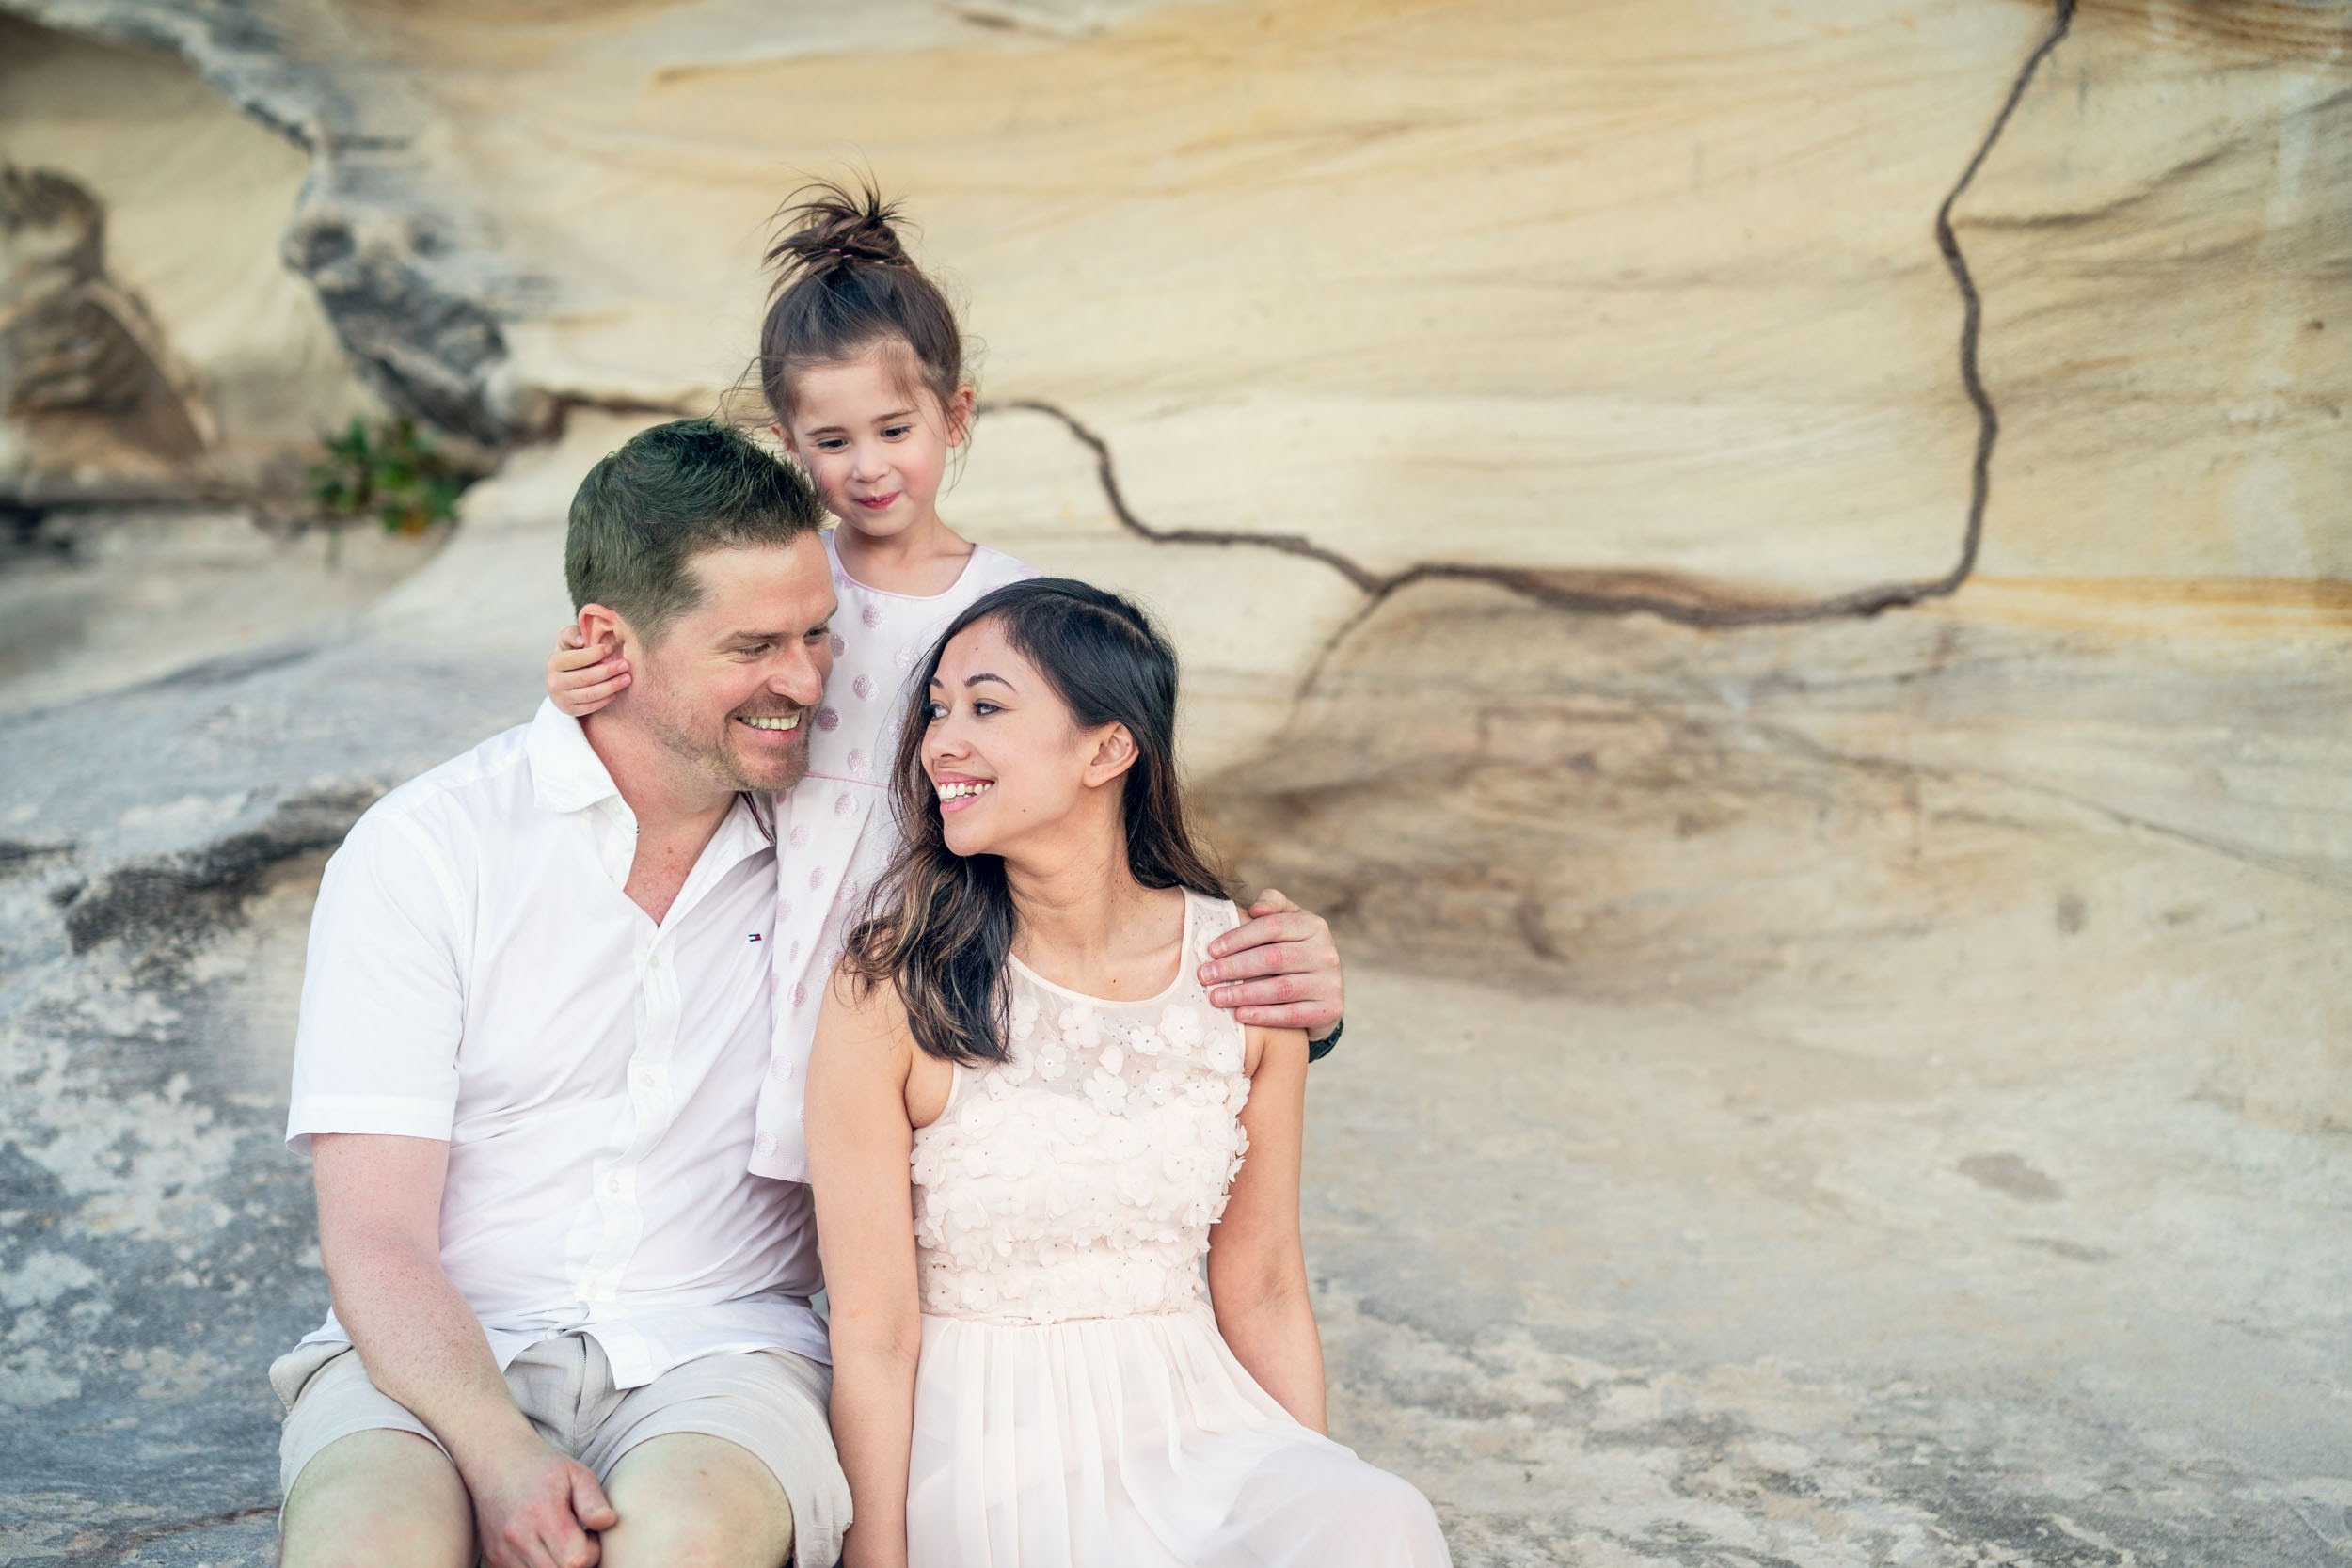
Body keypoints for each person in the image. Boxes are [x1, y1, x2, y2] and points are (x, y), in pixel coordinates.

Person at [274, 418, 1347, 1568]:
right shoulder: (427, 850)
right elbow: (376, 1236)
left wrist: (1305, 1004)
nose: (804, 682)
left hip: (723, 1354)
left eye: (818, 634)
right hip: (438, 1355)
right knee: (367, 1545)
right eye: (754, 645)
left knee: (679, 1543)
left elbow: (1084, 942)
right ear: (605, 641)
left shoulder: (857, 856)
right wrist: (502, 1461)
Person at [548, 182, 1344, 1196]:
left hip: (949, 924)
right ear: (789, 444)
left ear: (954, 415)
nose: (869, 467)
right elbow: (659, 686)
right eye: (831, 443)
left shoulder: (1007, 605)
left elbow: (1090, 793)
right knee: (781, 1178)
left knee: (941, 1181)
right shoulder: (791, 583)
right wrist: (577, 679)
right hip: (783, 924)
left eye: (895, 429)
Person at [807, 579, 1451, 1567]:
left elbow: (1267, 1283)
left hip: (1196, 1420)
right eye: (936, 707)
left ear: (1107, 750)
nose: (941, 741)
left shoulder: (1238, 965)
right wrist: (875, 1555)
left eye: (985, 706)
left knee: (1376, 1514)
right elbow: (875, 1327)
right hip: (983, 1445)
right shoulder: (893, 983)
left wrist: (1311, 1477)